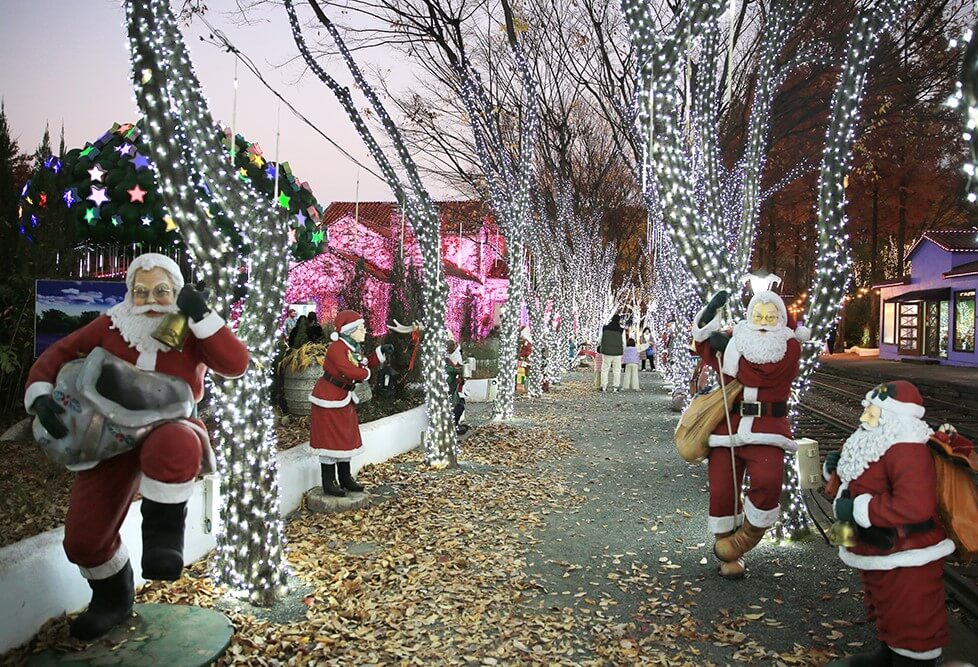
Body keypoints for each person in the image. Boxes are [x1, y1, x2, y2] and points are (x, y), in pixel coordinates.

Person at [25, 253, 249, 640]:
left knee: (176, 444)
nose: (149, 301)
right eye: (140, 291)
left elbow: (235, 362)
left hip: (168, 424)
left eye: (161, 291)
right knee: (83, 538)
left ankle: (164, 540)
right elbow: (60, 352)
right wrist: (41, 394)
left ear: (176, 292)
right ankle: (112, 596)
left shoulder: (189, 330)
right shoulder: (112, 324)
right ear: (129, 293)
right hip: (107, 435)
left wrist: (203, 316)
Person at [824, 381, 953, 666]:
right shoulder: (877, 441)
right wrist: (834, 471)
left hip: (906, 552)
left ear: (892, 416)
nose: (863, 415)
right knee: (885, 605)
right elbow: (862, 480)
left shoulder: (906, 449)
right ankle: (889, 654)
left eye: (871, 409)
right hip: (877, 548)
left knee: (911, 612)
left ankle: (914, 661)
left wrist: (860, 508)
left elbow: (914, 505)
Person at [691, 289, 807, 579]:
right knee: (722, 490)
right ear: (750, 315)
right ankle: (726, 552)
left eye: (770, 316)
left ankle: (745, 539)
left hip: (767, 429)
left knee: (768, 483)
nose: (764, 321)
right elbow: (703, 345)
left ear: (780, 318)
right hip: (727, 427)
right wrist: (709, 315)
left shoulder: (788, 346)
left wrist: (728, 347)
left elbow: (763, 372)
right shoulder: (737, 337)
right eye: (759, 315)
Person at [310, 309, 393, 497]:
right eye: (361, 328)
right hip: (328, 399)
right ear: (350, 330)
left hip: (343, 398)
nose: (364, 330)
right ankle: (329, 481)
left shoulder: (352, 347)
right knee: (329, 440)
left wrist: (379, 354)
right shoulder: (337, 348)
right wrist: (366, 374)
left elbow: (361, 363)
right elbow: (349, 369)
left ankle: (345, 477)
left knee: (343, 438)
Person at [446, 338, 469, 435]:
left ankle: (455, 425)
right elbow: (450, 370)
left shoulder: (456, 356)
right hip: (451, 387)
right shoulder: (447, 360)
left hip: (457, 386)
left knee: (460, 406)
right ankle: (453, 426)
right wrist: (457, 370)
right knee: (456, 407)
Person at [599, 314, 625, 392]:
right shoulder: (621, 330)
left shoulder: (605, 328)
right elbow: (624, 342)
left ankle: (604, 387)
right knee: (617, 370)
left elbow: (600, 339)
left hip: (606, 352)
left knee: (605, 369)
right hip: (617, 353)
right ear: (619, 321)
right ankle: (615, 387)